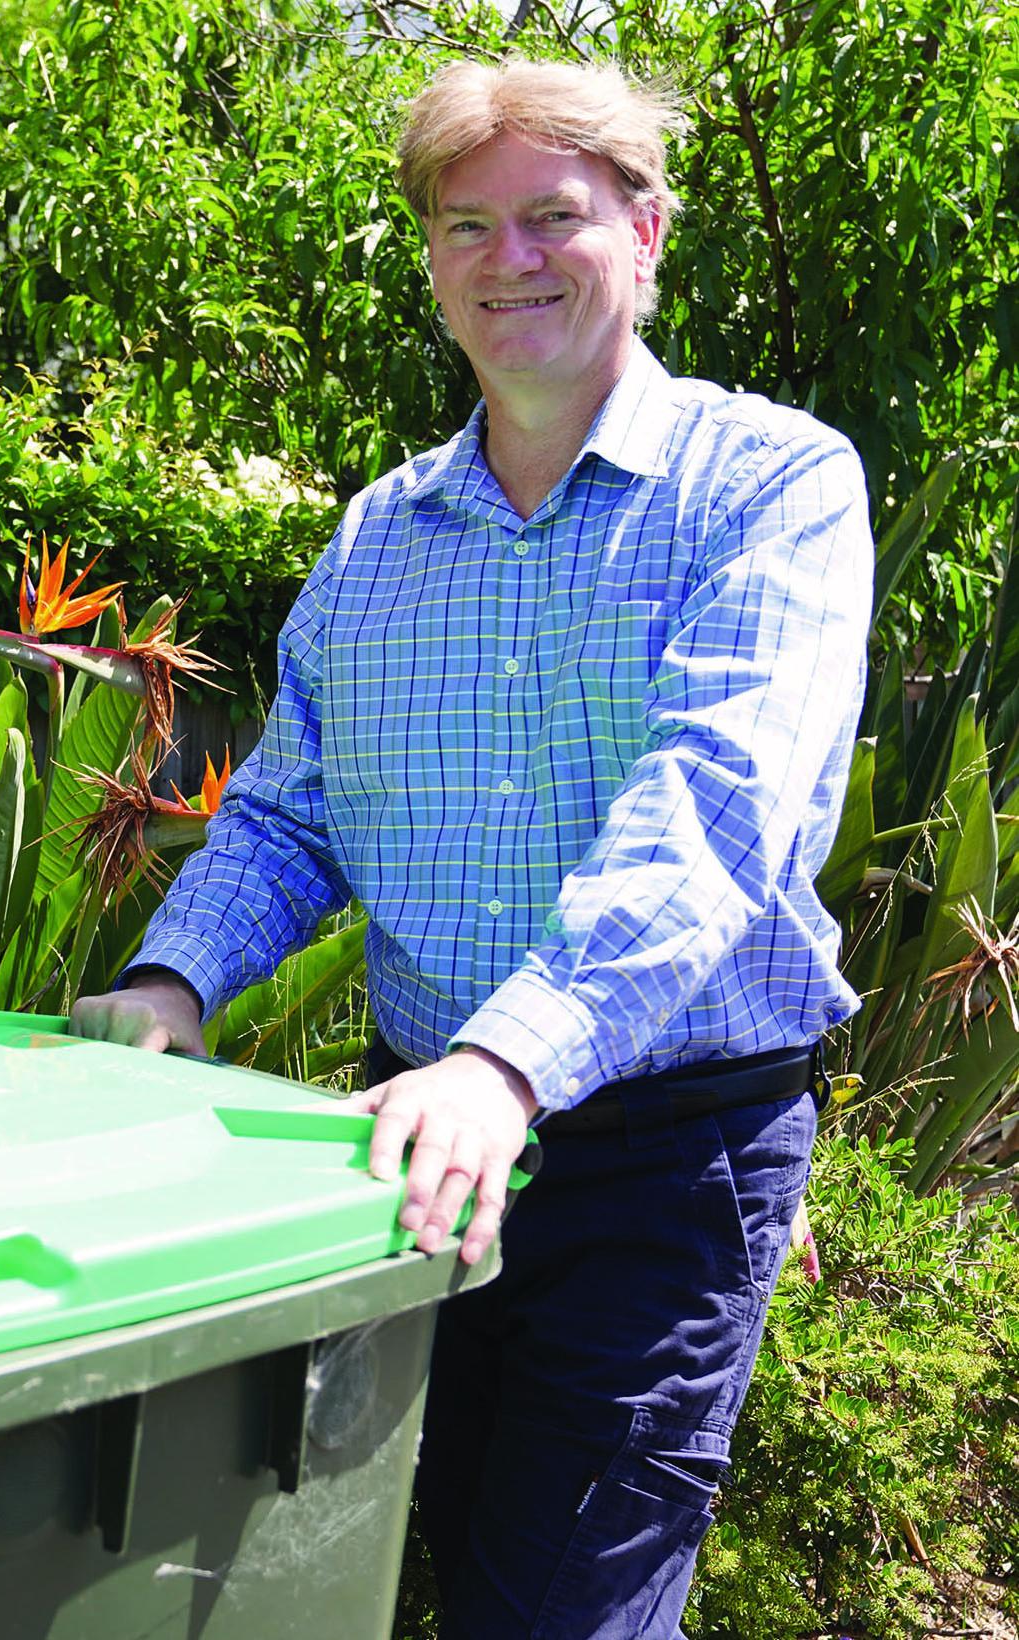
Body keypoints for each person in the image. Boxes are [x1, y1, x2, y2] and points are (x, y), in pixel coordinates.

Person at [71, 55, 873, 1638]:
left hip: (663, 1155)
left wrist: (506, 1065)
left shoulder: (769, 484)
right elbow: (293, 808)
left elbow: (715, 812)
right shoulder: (379, 534)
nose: (507, 260)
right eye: (465, 225)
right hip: (410, 1143)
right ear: (429, 260)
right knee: (403, 1564)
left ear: (645, 234)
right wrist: (176, 977)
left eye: (551, 217)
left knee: (562, 1608)